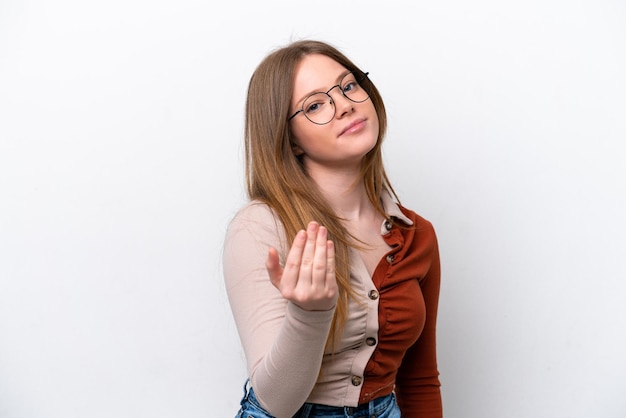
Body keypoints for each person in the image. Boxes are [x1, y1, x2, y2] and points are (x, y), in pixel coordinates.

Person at [223, 39, 442, 418]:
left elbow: (419, 380)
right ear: (290, 140)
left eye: (348, 85)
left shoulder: (416, 234)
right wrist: (311, 313)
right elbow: (275, 402)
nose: (344, 105)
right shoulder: (260, 228)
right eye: (315, 105)